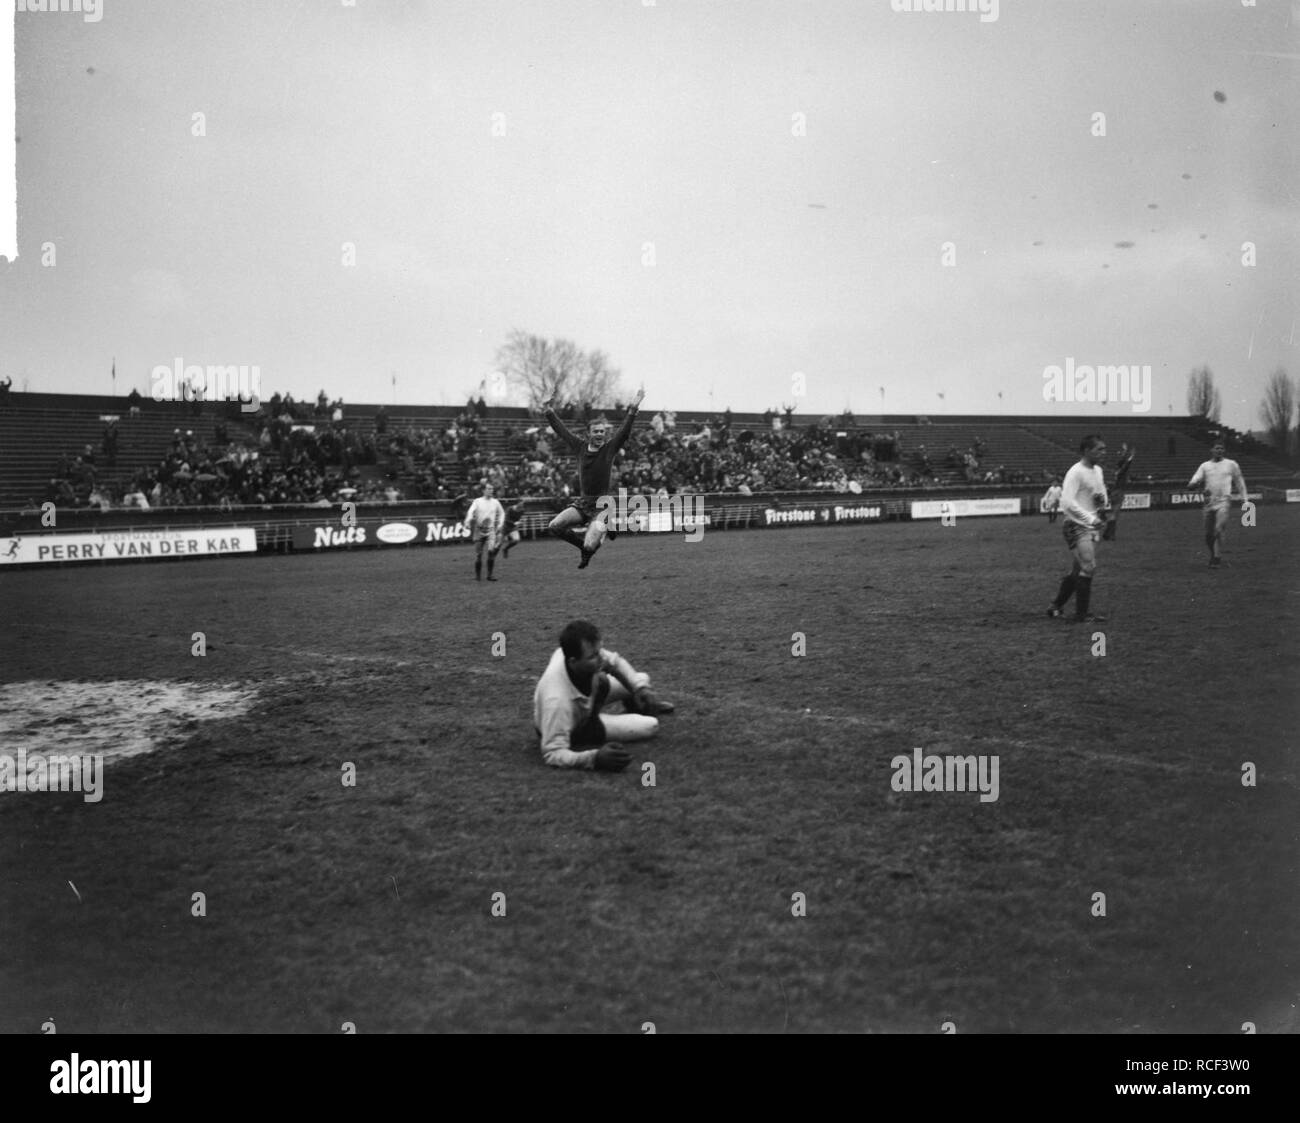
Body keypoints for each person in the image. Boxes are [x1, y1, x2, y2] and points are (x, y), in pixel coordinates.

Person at [532, 619, 674, 771]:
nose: (600, 658)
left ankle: (637, 703)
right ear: (573, 661)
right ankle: (592, 729)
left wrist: (640, 689)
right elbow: (553, 753)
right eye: (592, 657)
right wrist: (594, 758)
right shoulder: (557, 701)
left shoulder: (568, 653)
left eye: (598, 652)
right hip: (578, 726)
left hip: (589, 698)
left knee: (641, 679)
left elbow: (614, 662)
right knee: (650, 725)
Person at [542, 387, 644, 569]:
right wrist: (548, 409)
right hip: (583, 503)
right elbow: (561, 430)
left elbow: (624, 432)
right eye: (596, 431)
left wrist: (633, 409)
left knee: (591, 544)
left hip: (602, 505)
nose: (599, 434)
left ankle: (601, 531)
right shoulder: (579, 447)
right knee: (554, 526)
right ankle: (586, 546)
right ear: (589, 433)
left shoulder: (609, 449)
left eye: (602, 432)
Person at [1046, 435, 1109, 623]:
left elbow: (1099, 494)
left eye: (1104, 449)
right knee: (1088, 566)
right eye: (1099, 449)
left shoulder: (1098, 470)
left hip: (1091, 525)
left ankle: (1055, 606)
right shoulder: (1075, 472)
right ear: (1086, 451)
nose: (1103, 453)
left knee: (1079, 570)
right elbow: (1067, 503)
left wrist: (1103, 504)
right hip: (1076, 525)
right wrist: (1090, 518)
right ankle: (1081, 615)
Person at [1187, 441, 1248, 568]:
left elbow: (1239, 481)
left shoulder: (1231, 464)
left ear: (1224, 450)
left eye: (1221, 448)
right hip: (1209, 502)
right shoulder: (1205, 466)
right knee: (1209, 534)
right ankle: (1213, 554)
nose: (1219, 450)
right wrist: (1193, 484)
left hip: (1224, 501)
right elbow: (1196, 479)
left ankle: (1216, 558)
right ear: (1212, 450)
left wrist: (1245, 499)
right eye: (1217, 448)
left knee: (1219, 528)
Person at [463, 482, 505, 581]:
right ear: (483, 490)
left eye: (492, 489)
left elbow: (502, 513)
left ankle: (490, 575)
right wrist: (468, 520)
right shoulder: (477, 501)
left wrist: (500, 524)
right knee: (479, 554)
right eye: (489, 489)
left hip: (491, 531)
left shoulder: (495, 502)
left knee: (491, 552)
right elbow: (470, 512)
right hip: (479, 530)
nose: (491, 490)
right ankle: (477, 576)